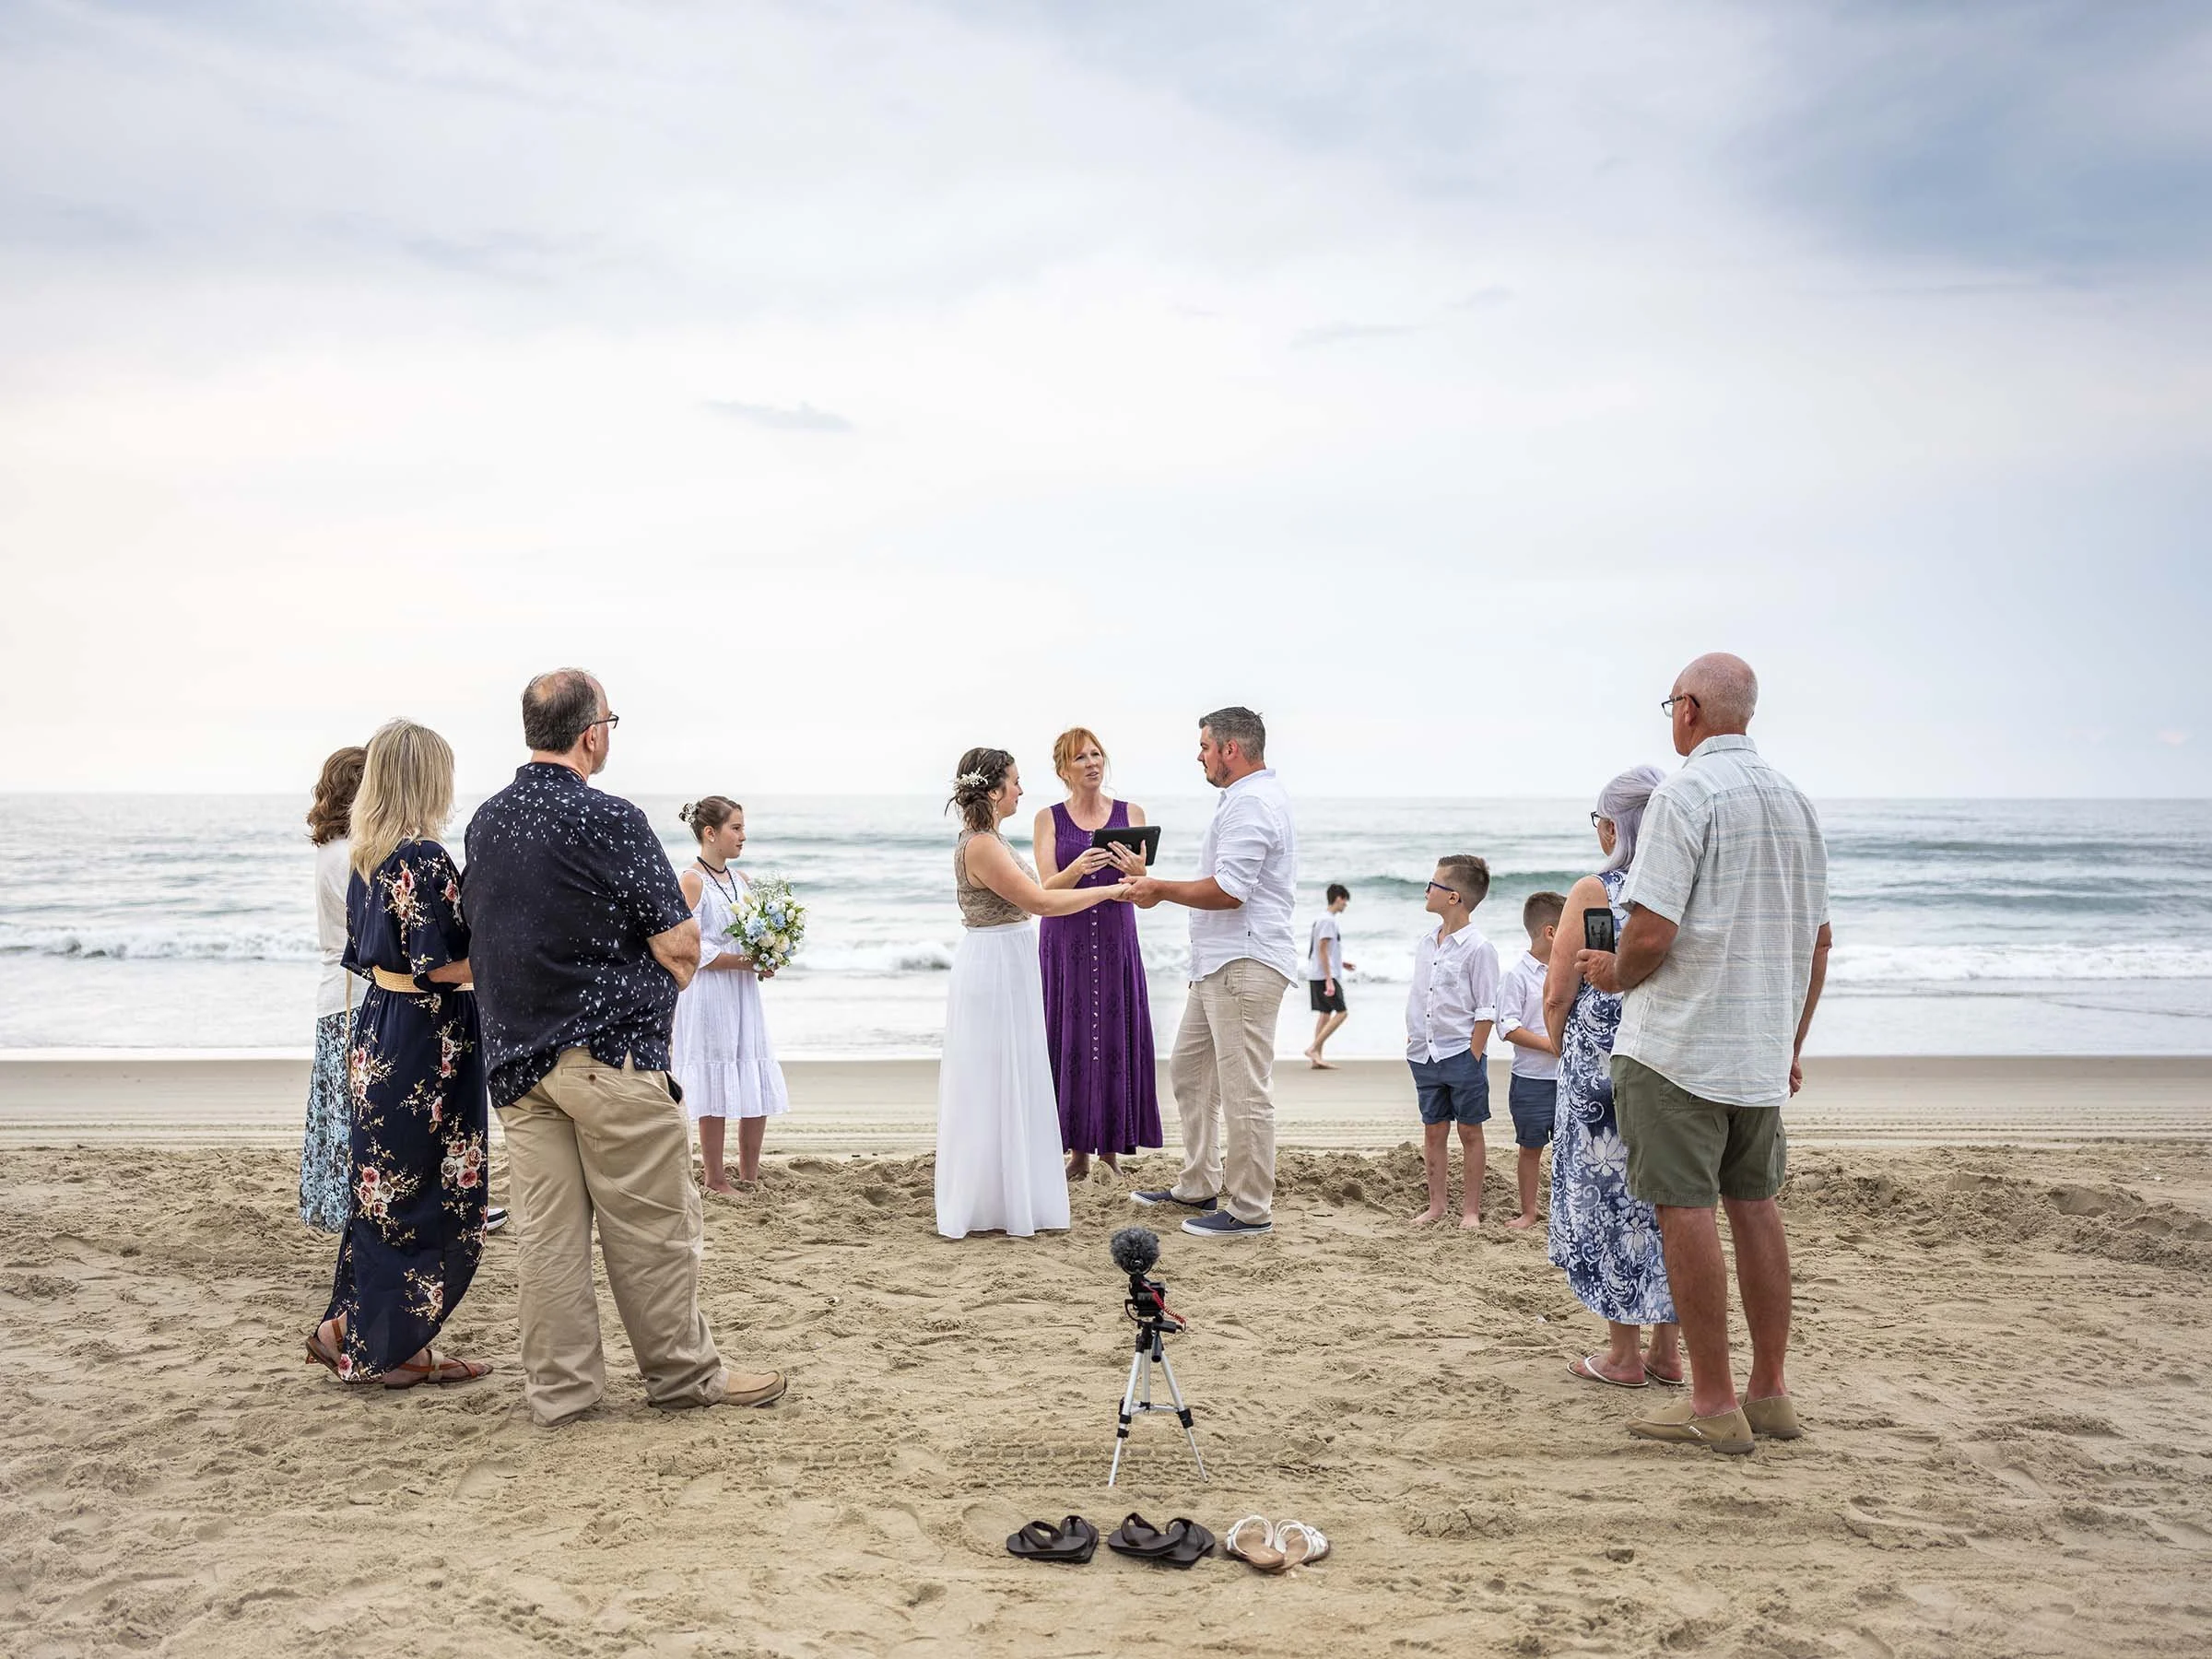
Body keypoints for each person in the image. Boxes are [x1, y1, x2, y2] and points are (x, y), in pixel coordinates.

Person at [464, 668, 785, 1426]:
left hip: (516, 1062)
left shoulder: (488, 820)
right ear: (592, 733)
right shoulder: (608, 817)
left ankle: (563, 1392)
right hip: (609, 1057)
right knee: (653, 1226)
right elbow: (680, 946)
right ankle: (684, 1377)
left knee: (548, 1236)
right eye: (610, 720)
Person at [1581, 654, 1832, 1455]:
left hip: (1679, 1045)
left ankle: (1713, 1401)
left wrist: (1611, 974)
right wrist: (1790, 1038)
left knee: (1683, 1212)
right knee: (1755, 1209)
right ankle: (1771, 1393)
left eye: (1670, 704)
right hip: (1757, 1043)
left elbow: (1651, 931)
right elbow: (1818, 941)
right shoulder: (1794, 800)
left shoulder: (1686, 794)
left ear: (1688, 709)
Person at [303, 720, 491, 1388]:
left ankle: (367, 1336)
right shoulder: (421, 857)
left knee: (384, 1192)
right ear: (426, 779)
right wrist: (509, 960)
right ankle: (384, 1346)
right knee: (423, 1192)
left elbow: (371, 952)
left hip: (380, 1027)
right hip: (422, 1038)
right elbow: (440, 966)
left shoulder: (365, 853)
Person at [938, 747, 1133, 1239]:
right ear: (994, 790)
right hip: (994, 965)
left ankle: (1012, 1194)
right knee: (993, 1080)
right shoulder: (981, 845)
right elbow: (1040, 901)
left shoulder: (991, 839)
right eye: (1016, 782)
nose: (1022, 790)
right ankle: (990, 1202)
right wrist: (1106, 891)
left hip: (1011, 960)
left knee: (1015, 1076)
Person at [1125, 707, 1298, 1241]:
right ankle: (1200, 1180)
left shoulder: (1252, 805)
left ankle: (1250, 1210)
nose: (1198, 755)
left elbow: (1229, 891)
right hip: (1219, 963)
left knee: (1245, 1088)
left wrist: (1159, 889)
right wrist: (1156, 886)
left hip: (1244, 963)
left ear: (1230, 749)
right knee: (1189, 1070)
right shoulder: (1244, 801)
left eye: (1204, 746)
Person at [1545, 771, 1681, 1391]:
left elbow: (1559, 991)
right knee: (1670, 1202)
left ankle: (1623, 1355)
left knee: (1609, 1202)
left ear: (1613, 826)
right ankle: (1669, 1353)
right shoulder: (1681, 887)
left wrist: (1560, 1048)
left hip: (1601, 1070)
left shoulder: (1597, 890)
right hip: (1670, 1060)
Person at [1032, 728, 1159, 1179]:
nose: (1092, 762)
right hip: (1064, 943)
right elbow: (1044, 888)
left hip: (1114, 939)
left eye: (1096, 754)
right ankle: (1076, 1152)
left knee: (1112, 1034)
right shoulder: (1048, 818)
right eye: (1080, 757)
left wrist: (1138, 873)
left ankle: (1110, 1151)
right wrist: (1078, 868)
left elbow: (1140, 893)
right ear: (1063, 769)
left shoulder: (1131, 814)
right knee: (1066, 1036)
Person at [672, 796, 791, 1194]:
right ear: (710, 833)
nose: (743, 835)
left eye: (742, 827)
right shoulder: (692, 881)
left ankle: (750, 1175)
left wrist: (769, 954)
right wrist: (743, 961)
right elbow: (690, 946)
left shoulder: (742, 882)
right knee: (715, 1072)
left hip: (742, 991)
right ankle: (716, 1178)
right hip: (709, 993)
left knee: (752, 1066)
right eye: (735, 828)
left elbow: (753, 933)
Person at [1404, 855, 1500, 1230]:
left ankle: (1471, 1211)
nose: (1427, 890)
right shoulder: (1427, 942)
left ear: (1454, 897)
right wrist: (1413, 1035)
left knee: (1470, 1131)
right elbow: (1420, 995)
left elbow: (1486, 1009)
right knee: (1434, 1130)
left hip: (1461, 1054)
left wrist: (1473, 1055)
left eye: (1434, 885)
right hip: (1424, 1053)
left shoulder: (1478, 948)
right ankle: (1436, 1205)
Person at [300, 745, 368, 1234]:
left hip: (334, 995)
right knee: (359, 1118)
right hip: (356, 995)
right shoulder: (351, 856)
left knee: (343, 1116)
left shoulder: (331, 850)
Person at [1497, 890, 1565, 1231]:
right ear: (1551, 932)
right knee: (1530, 1147)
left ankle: (1566, 1210)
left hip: (1568, 1078)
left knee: (1570, 1149)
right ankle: (1529, 1211)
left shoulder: (1570, 971)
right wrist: (1550, 1046)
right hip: (1531, 1080)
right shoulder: (1517, 975)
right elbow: (1507, 1026)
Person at [1304, 884, 1355, 1069]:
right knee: (1342, 1012)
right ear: (1339, 898)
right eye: (1345, 901)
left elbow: (1323, 951)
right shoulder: (1328, 921)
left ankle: (1316, 1056)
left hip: (1318, 973)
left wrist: (1341, 963)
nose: (1345, 905)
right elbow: (1322, 948)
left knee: (1326, 1014)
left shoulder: (1322, 919)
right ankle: (1313, 1048)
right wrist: (1328, 978)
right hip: (1324, 975)